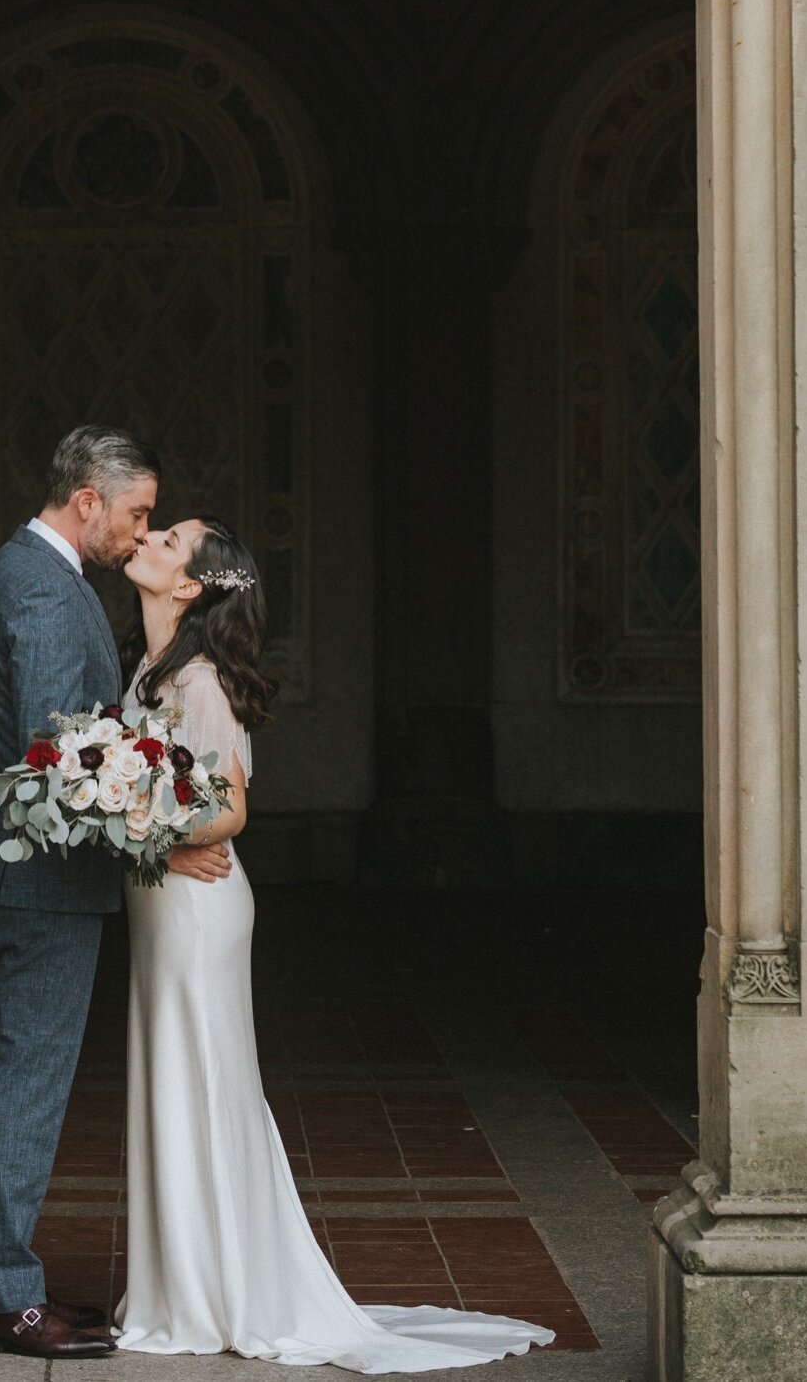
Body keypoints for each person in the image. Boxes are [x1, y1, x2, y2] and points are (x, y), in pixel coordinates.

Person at [114, 518, 556, 1373]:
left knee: (200, 1080)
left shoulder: (200, 681)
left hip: (195, 907)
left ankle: (215, 1293)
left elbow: (231, 810)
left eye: (169, 538)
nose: (154, 537)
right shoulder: (150, 668)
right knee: (169, 1075)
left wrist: (146, 834)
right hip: (160, 904)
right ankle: (181, 1284)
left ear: (190, 586)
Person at [0, 427, 229, 1359]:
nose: (139, 531)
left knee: (17, 1080)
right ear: (87, 500)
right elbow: (61, 764)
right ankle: (7, 1303)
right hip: (46, 891)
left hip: (11, 870)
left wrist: (9, 802)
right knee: (26, 1087)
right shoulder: (53, 596)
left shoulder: (0, 572)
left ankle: (4, 1281)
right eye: (137, 511)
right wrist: (156, 850)